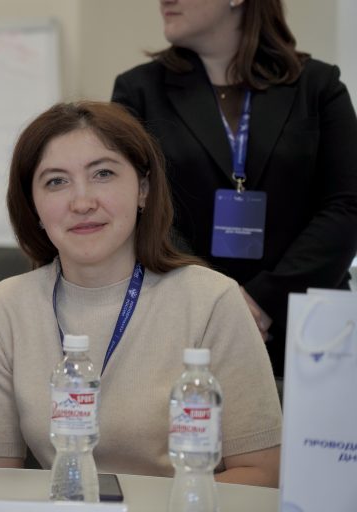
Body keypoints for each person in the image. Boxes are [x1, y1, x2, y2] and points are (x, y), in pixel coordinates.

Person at [0, 101, 281, 486]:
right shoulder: (4, 309)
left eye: (103, 174)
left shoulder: (211, 300)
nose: (82, 202)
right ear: (33, 206)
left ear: (143, 189)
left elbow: (263, 473)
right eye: (56, 181)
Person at [111, 0, 357, 376]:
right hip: (187, 321)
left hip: (307, 327)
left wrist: (262, 302)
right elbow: (133, 206)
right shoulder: (138, 90)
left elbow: (347, 206)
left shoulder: (318, 86)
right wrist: (217, 302)